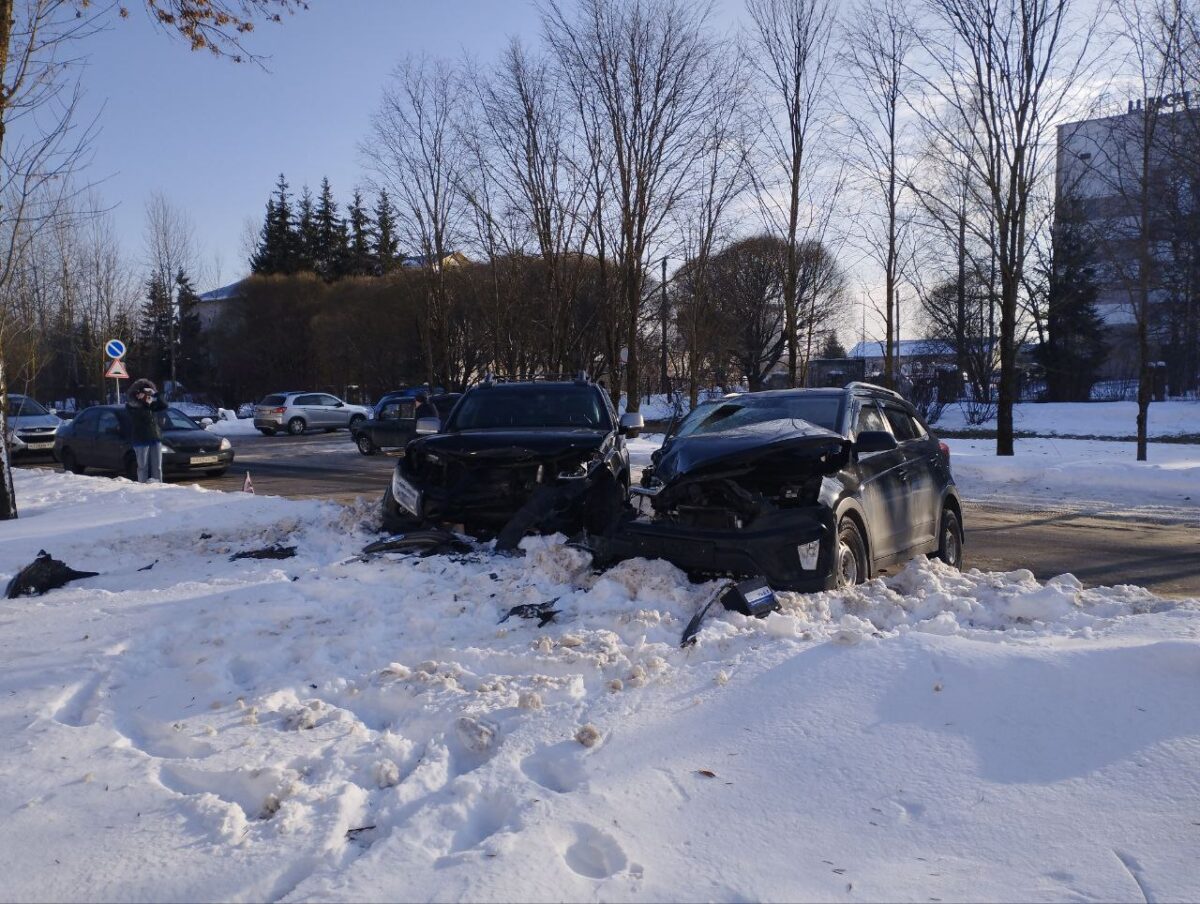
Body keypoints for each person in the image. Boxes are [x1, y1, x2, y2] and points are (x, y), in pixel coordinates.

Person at [125, 378, 168, 483]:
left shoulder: (151, 405)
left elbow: (164, 405)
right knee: (143, 467)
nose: (147, 396)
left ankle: (158, 486)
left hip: (155, 437)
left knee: (157, 467)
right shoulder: (132, 406)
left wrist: (156, 394)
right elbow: (139, 417)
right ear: (138, 394)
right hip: (140, 439)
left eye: (148, 393)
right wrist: (144, 403)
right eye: (144, 393)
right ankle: (142, 486)